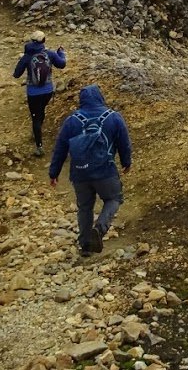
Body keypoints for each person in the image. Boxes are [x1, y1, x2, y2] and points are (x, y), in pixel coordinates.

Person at [48, 85, 133, 257]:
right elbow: (124, 143)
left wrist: (54, 172)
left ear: (82, 100)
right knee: (113, 198)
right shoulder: (114, 117)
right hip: (105, 171)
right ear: (101, 97)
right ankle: (100, 228)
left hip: (80, 173)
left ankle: (85, 246)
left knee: (85, 207)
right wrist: (126, 162)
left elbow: (60, 148)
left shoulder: (72, 120)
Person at [13, 31, 67, 156]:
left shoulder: (27, 56)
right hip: (48, 90)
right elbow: (62, 64)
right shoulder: (50, 54)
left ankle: (39, 146)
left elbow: (16, 74)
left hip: (33, 92)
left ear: (31, 41)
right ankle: (37, 131)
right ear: (44, 41)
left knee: (35, 117)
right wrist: (61, 53)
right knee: (41, 111)